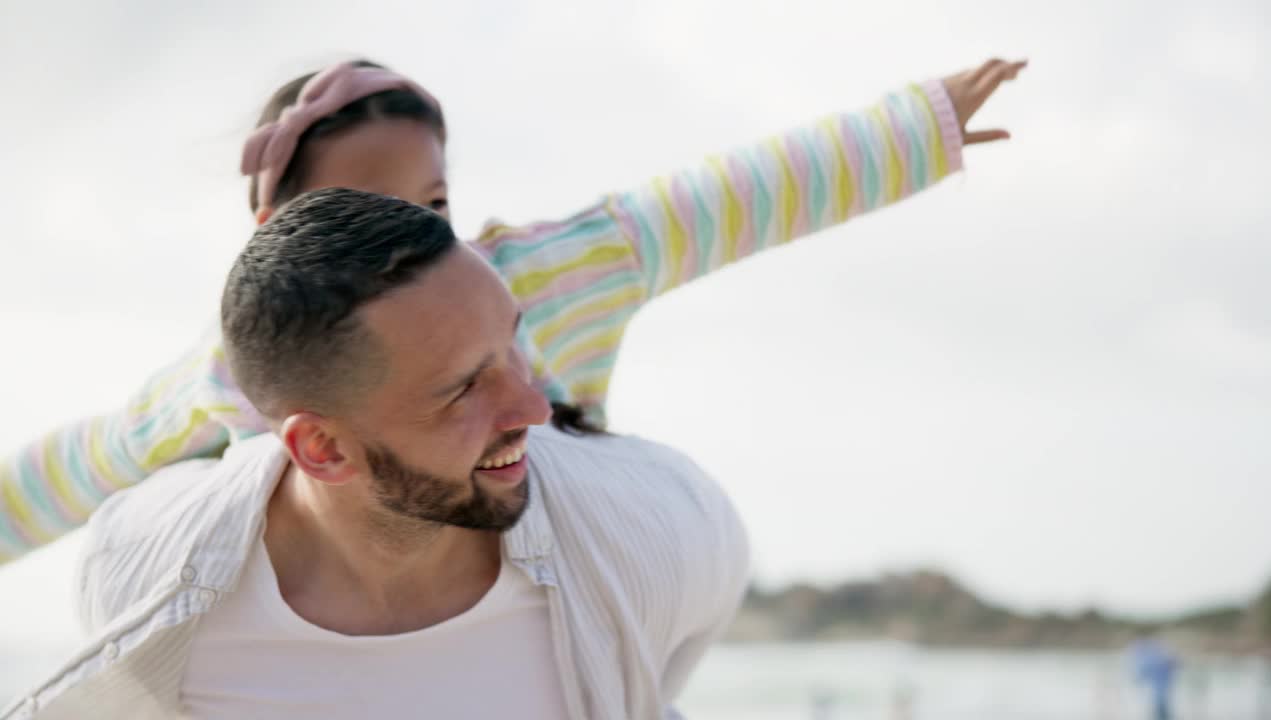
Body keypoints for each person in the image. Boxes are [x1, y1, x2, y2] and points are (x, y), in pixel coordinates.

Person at [0, 56, 1026, 563]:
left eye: (430, 203)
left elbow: (710, 206)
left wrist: (913, 130)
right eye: (352, 209)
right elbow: (80, 464)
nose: (407, 238)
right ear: (274, 234)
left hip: (555, 586)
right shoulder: (234, 375)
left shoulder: (546, 275)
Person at [4, 189, 750, 719]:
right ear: (321, 448)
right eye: (463, 389)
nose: (533, 407)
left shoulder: (655, 531)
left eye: (512, 343)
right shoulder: (140, 571)